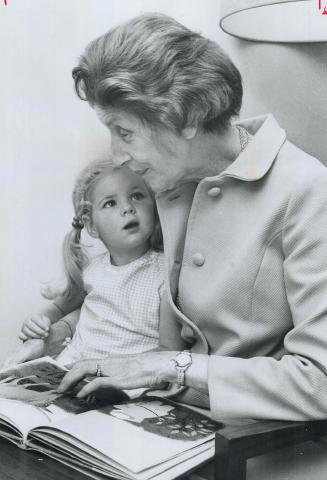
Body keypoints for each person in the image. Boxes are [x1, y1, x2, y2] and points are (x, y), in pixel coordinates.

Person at [16, 13, 327, 424]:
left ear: (187, 116)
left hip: (250, 443)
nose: (116, 155)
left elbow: (320, 382)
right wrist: (62, 336)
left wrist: (169, 366)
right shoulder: (169, 182)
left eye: (124, 132)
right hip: (158, 416)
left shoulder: (308, 189)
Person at [8, 158, 167, 367]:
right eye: (110, 203)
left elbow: (169, 349)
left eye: (137, 196)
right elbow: (58, 308)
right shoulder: (92, 271)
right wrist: (39, 320)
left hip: (128, 379)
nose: (128, 207)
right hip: (72, 367)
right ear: (91, 225)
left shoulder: (166, 270)